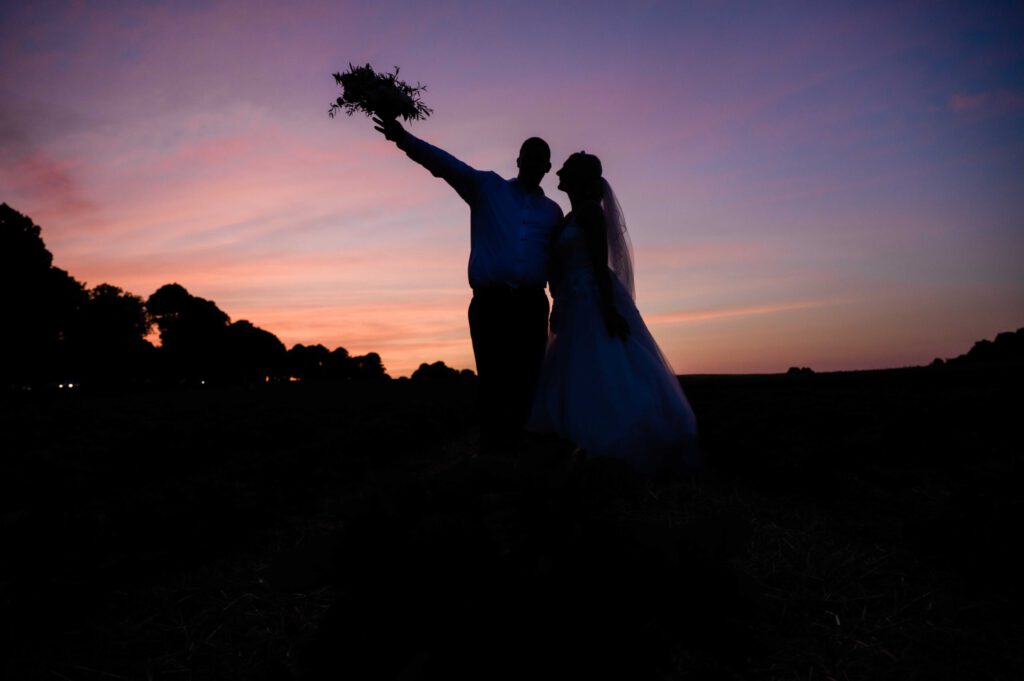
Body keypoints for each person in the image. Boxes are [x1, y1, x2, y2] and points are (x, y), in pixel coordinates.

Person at [373, 116, 564, 451]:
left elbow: (557, 262)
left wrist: (560, 301)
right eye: (528, 156)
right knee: (492, 380)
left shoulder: (553, 212)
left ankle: (519, 452)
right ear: (518, 160)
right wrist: (404, 139)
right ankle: (492, 451)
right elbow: (447, 165)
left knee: (527, 380)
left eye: (540, 159)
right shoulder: (488, 188)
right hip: (490, 303)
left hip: (533, 305)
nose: (533, 163)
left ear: (548, 166)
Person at [528, 152, 700, 475]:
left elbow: (598, 264)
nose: (559, 172)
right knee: (578, 369)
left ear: (578, 177)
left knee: (602, 367)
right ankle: (577, 441)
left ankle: (614, 443)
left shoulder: (591, 214)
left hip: (591, 298)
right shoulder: (569, 217)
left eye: (566, 168)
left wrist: (606, 308)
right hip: (571, 299)